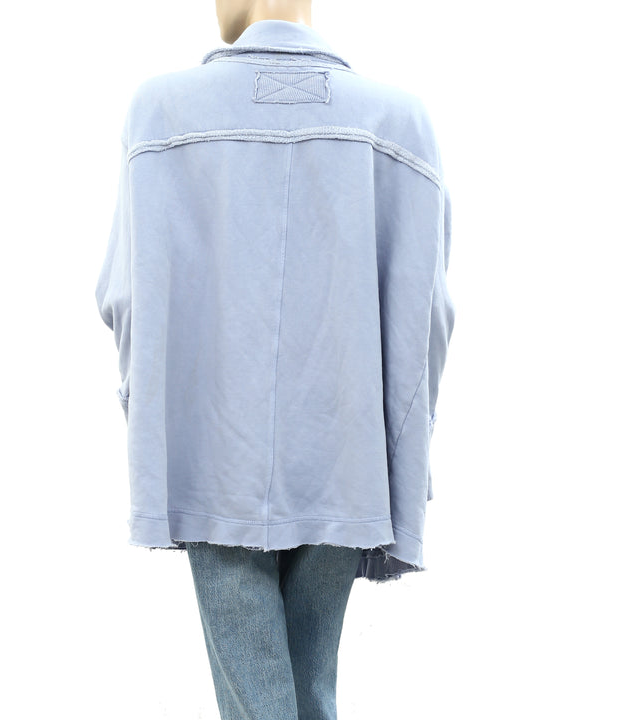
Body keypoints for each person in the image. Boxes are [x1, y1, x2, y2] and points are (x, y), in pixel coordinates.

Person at [94, 1, 456, 717]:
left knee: (258, 701)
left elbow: (123, 298)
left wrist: (154, 429)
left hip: (210, 458)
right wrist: (402, 457)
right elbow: (429, 322)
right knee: (309, 690)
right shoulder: (400, 121)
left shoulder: (160, 111)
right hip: (348, 459)